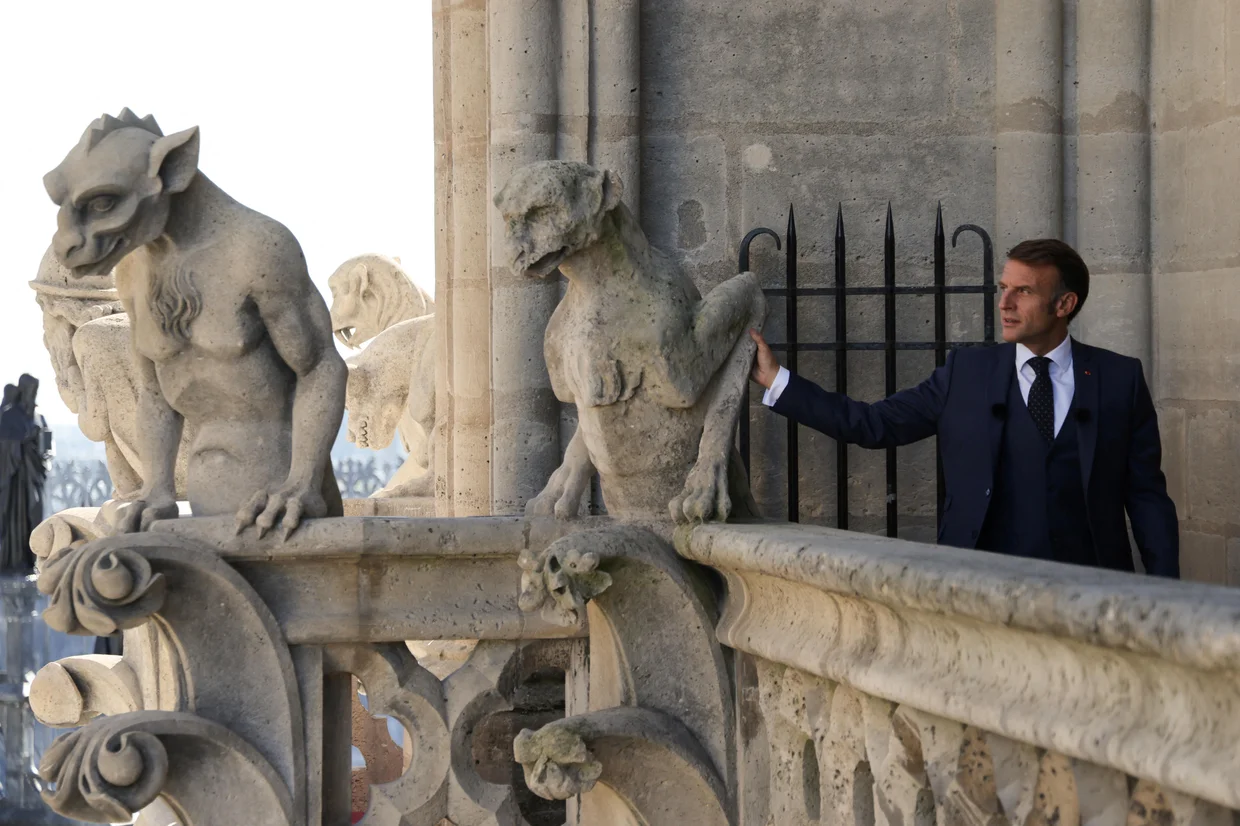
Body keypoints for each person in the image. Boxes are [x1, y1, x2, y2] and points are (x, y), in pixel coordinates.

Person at [750, 238, 1179, 577]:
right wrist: (776, 379)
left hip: (1094, 592)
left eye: (1023, 291)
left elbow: (1146, 497)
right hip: (982, 584)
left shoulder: (1119, 378)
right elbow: (871, 424)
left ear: (1064, 304)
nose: (1004, 304)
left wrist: (1167, 593)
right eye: (1003, 288)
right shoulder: (965, 373)